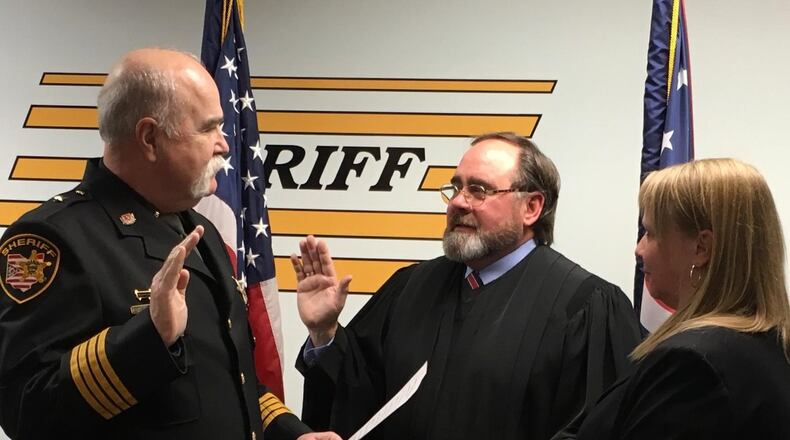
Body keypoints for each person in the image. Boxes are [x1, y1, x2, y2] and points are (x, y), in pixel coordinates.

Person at [0, 48, 339, 440]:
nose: (224, 145)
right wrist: (149, 336)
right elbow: (26, 410)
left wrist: (291, 434)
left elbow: (228, 379)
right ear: (149, 138)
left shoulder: (201, 232)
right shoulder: (48, 240)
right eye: (208, 128)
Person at [290, 132, 643, 440]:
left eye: (479, 190)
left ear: (532, 207)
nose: (458, 202)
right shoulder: (411, 287)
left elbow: (598, 429)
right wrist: (325, 334)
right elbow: (358, 399)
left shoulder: (585, 306)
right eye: (456, 187)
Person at [553, 158, 790, 440]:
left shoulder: (693, 364)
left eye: (650, 233)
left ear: (701, 248)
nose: (639, 250)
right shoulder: (768, 343)